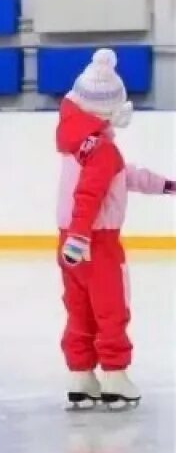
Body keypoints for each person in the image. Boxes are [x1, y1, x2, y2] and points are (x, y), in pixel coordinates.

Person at [55, 49, 173, 411]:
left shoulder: (80, 144)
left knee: (79, 308)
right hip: (96, 241)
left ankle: (81, 376)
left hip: (70, 243)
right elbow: (89, 194)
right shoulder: (103, 150)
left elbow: (123, 176)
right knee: (110, 308)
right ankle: (115, 376)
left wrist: (166, 185)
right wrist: (81, 235)